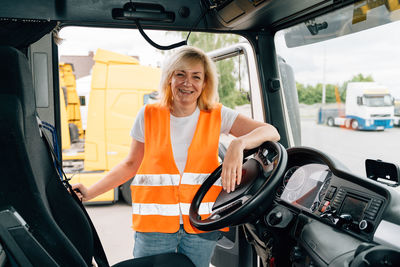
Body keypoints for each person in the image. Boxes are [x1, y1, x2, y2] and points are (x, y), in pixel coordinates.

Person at [72, 46, 280, 267]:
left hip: (199, 225)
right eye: (180, 74)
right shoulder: (148, 115)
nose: (187, 83)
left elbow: (271, 132)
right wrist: (90, 192)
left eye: (196, 76)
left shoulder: (217, 114)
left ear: (205, 83)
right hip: (155, 228)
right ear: (169, 78)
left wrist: (239, 143)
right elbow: (130, 164)